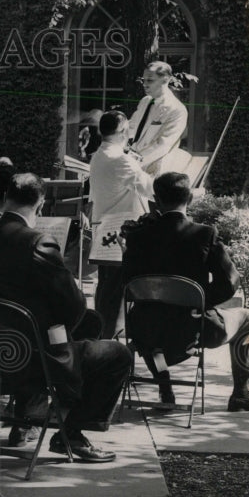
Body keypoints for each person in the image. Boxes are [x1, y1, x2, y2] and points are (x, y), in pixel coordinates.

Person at [0, 173, 132, 461]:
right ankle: (73, 430)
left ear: (6, 198)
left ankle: (33, 406)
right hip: (34, 358)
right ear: (41, 204)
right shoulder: (39, 242)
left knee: (89, 323)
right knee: (117, 354)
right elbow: (74, 305)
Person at [121, 172, 249, 412]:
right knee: (248, 317)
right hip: (194, 330)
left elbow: (127, 283)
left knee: (153, 335)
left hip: (146, 330)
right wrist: (199, 302)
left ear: (156, 201)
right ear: (190, 199)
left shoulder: (138, 237)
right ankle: (241, 394)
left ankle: (165, 388)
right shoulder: (204, 234)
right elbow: (231, 281)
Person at [88, 111, 154, 338]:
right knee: (115, 291)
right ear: (124, 132)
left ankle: (101, 337)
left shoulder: (98, 155)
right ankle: (110, 341)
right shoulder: (122, 160)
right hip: (120, 231)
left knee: (106, 287)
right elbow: (150, 189)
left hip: (104, 228)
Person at [127, 61, 189, 176]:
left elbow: (163, 145)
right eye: (143, 80)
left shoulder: (177, 110)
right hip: (133, 166)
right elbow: (131, 128)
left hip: (156, 170)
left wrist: (135, 162)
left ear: (166, 79)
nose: (144, 84)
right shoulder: (145, 101)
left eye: (150, 80)